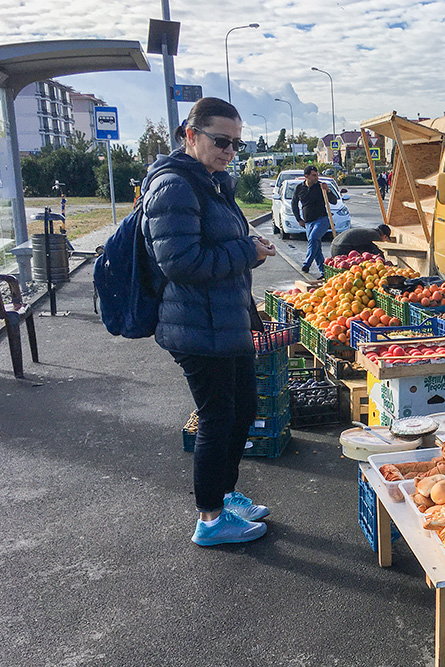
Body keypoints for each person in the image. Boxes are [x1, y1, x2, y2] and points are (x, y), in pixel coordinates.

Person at [143, 97, 277, 547]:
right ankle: (210, 518)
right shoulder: (175, 186)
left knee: (242, 412)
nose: (229, 151)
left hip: (225, 321)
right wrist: (245, 252)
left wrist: (249, 247)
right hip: (197, 328)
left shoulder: (212, 182)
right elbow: (179, 262)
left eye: (236, 144)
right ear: (190, 135)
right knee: (218, 419)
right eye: (222, 141)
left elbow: (219, 245)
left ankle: (225, 493)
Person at [292, 164, 332, 276]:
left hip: (322, 220)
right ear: (306, 176)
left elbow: (333, 201)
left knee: (314, 238)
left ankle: (306, 264)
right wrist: (298, 219)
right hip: (308, 222)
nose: (316, 177)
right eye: (314, 175)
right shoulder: (300, 188)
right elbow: (294, 204)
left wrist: (328, 191)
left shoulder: (320, 187)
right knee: (316, 248)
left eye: (317, 175)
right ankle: (324, 273)